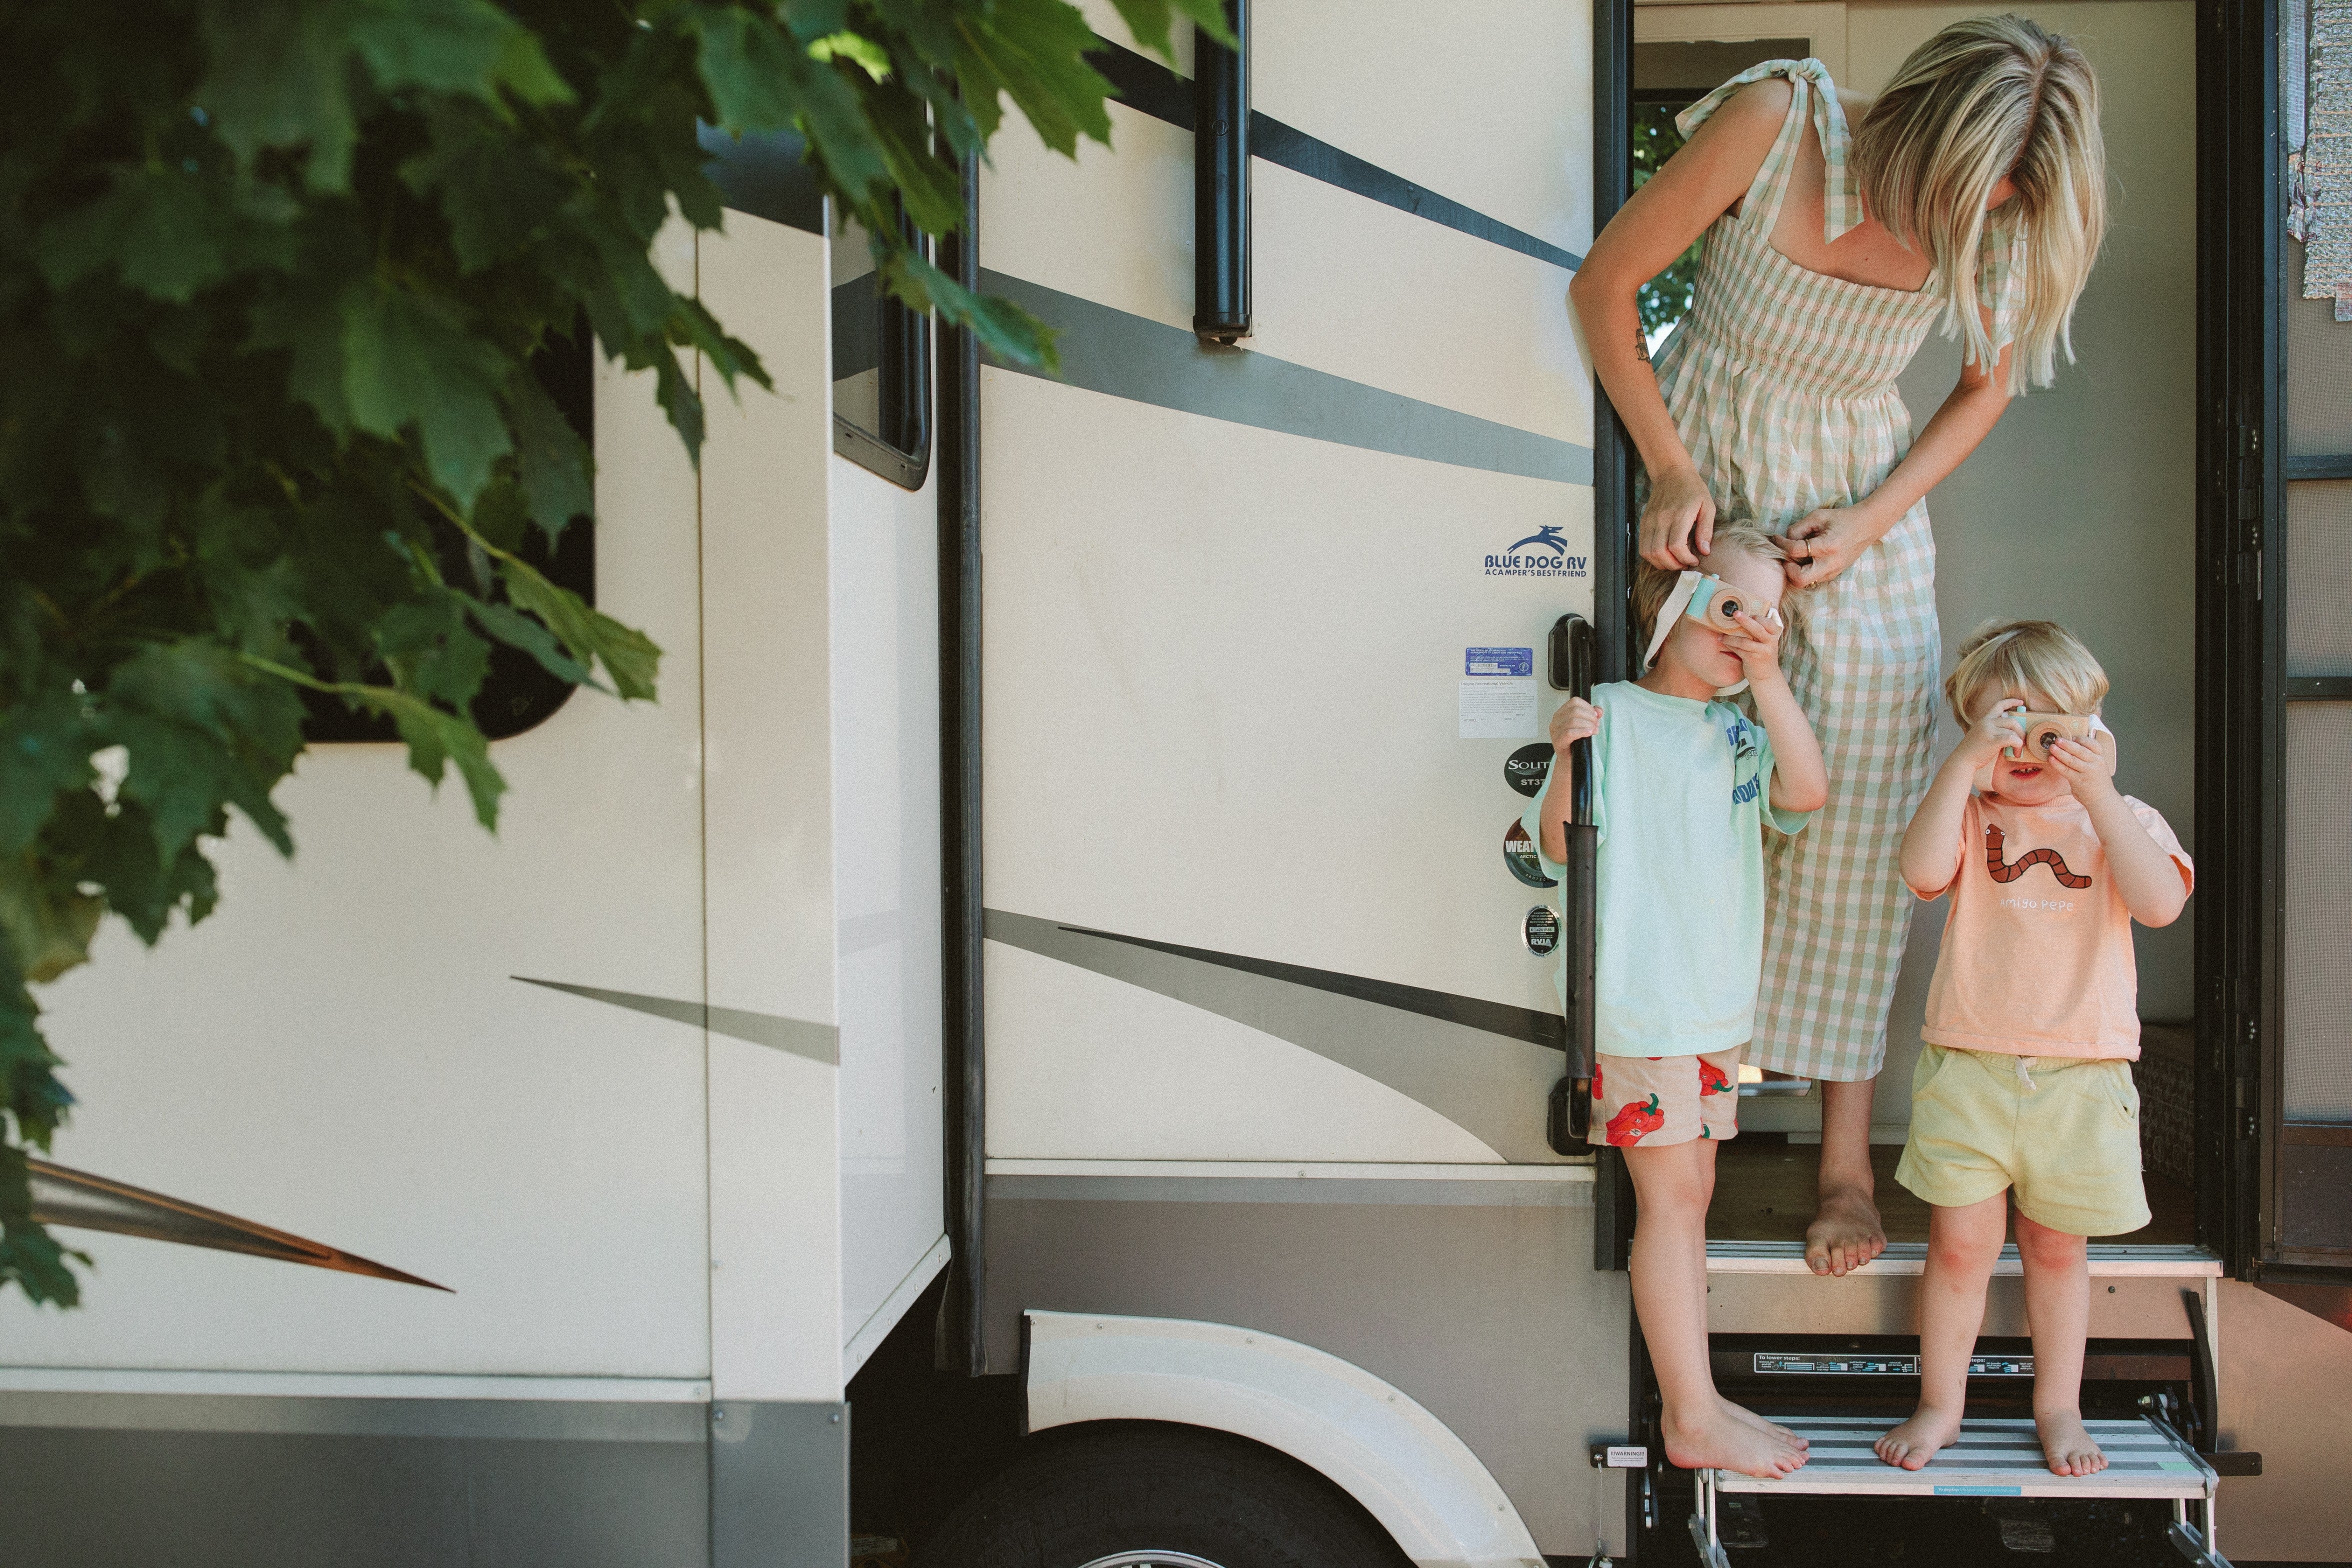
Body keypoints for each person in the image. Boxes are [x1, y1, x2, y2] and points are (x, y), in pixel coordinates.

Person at [1568, 20, 2108, 1276]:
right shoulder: (1778, 122)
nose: (1967, 225)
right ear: (1913, 127)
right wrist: (1669, 467)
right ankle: (1681, 1112)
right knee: (1690, 781)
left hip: (1855, 516)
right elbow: (1605, 289)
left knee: (1861, 809)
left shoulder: (2003, 215)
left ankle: (1845, 1162)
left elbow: (1984, 382)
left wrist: (1875, 517)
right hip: (1706, 470)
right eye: (1956, 195)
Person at [1524, 522, 1827, 1478]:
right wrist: (1567, 751)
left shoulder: (1741, 728)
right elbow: (1561, 846)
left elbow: (1808, 791)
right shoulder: (1612, 712)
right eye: (1730, 609)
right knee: (1672, 1204)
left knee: (1692, 1197)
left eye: (1769, 617)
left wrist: (1769, 675)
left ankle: (1696, 1397)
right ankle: (1690, 1417)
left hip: (1708, 1011)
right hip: (1643, 1007)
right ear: (1675, 607)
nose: (1749, 632)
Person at [1875, 620, 2191, 1474]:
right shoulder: (1970, 815)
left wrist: (2102, 797)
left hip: (2081, 1077)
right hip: (1970, 1069)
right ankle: (1942, 1403)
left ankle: (2059, 1406)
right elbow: (1920, 871)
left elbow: (2160, 903)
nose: (2026, 749)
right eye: (2004, 728)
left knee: (2058, 1252)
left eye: (2051, 732)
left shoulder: (2124, 820)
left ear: (2093, 737)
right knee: (1959, 1249)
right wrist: (1959, 767)